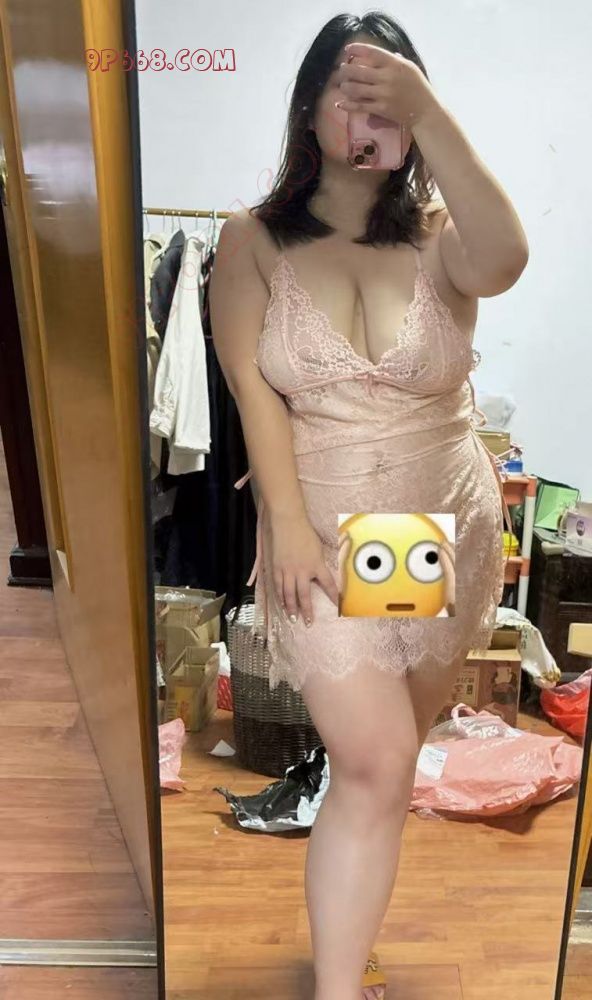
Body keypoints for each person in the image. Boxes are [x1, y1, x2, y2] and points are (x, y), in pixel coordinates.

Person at [209, 12, 528, 1000]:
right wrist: (285, 523)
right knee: (376, 759)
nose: (369, 119)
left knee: (387, 764)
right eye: (350, 95)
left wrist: (430, 114)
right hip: (318, 526)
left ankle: (349, 952)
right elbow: (252, 393)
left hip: (430, 526)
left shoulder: (439, 238)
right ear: (308, 109)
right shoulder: (251, 238)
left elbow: (506, 259)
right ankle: (338, 988)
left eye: (392, 101)